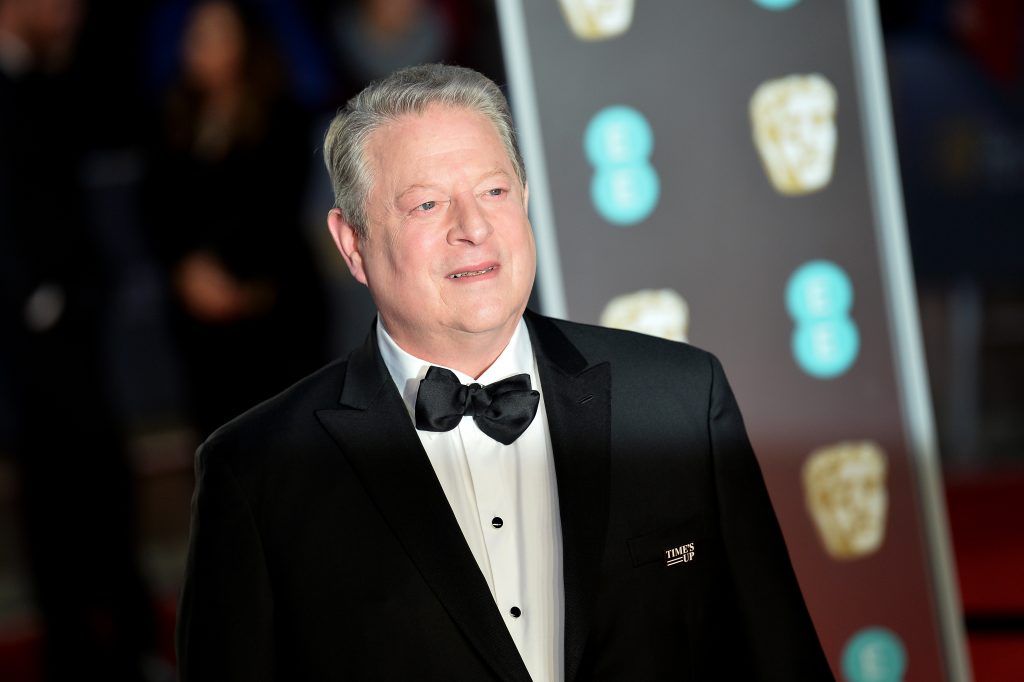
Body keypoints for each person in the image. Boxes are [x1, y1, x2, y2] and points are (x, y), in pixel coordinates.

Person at [177, 63, 833, 681]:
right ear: (353, 244)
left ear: (522, 199)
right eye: (427, 205)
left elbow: (779, 657)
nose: (473, 228)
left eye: (492, 191)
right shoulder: (260, 471)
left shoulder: (679, 400)